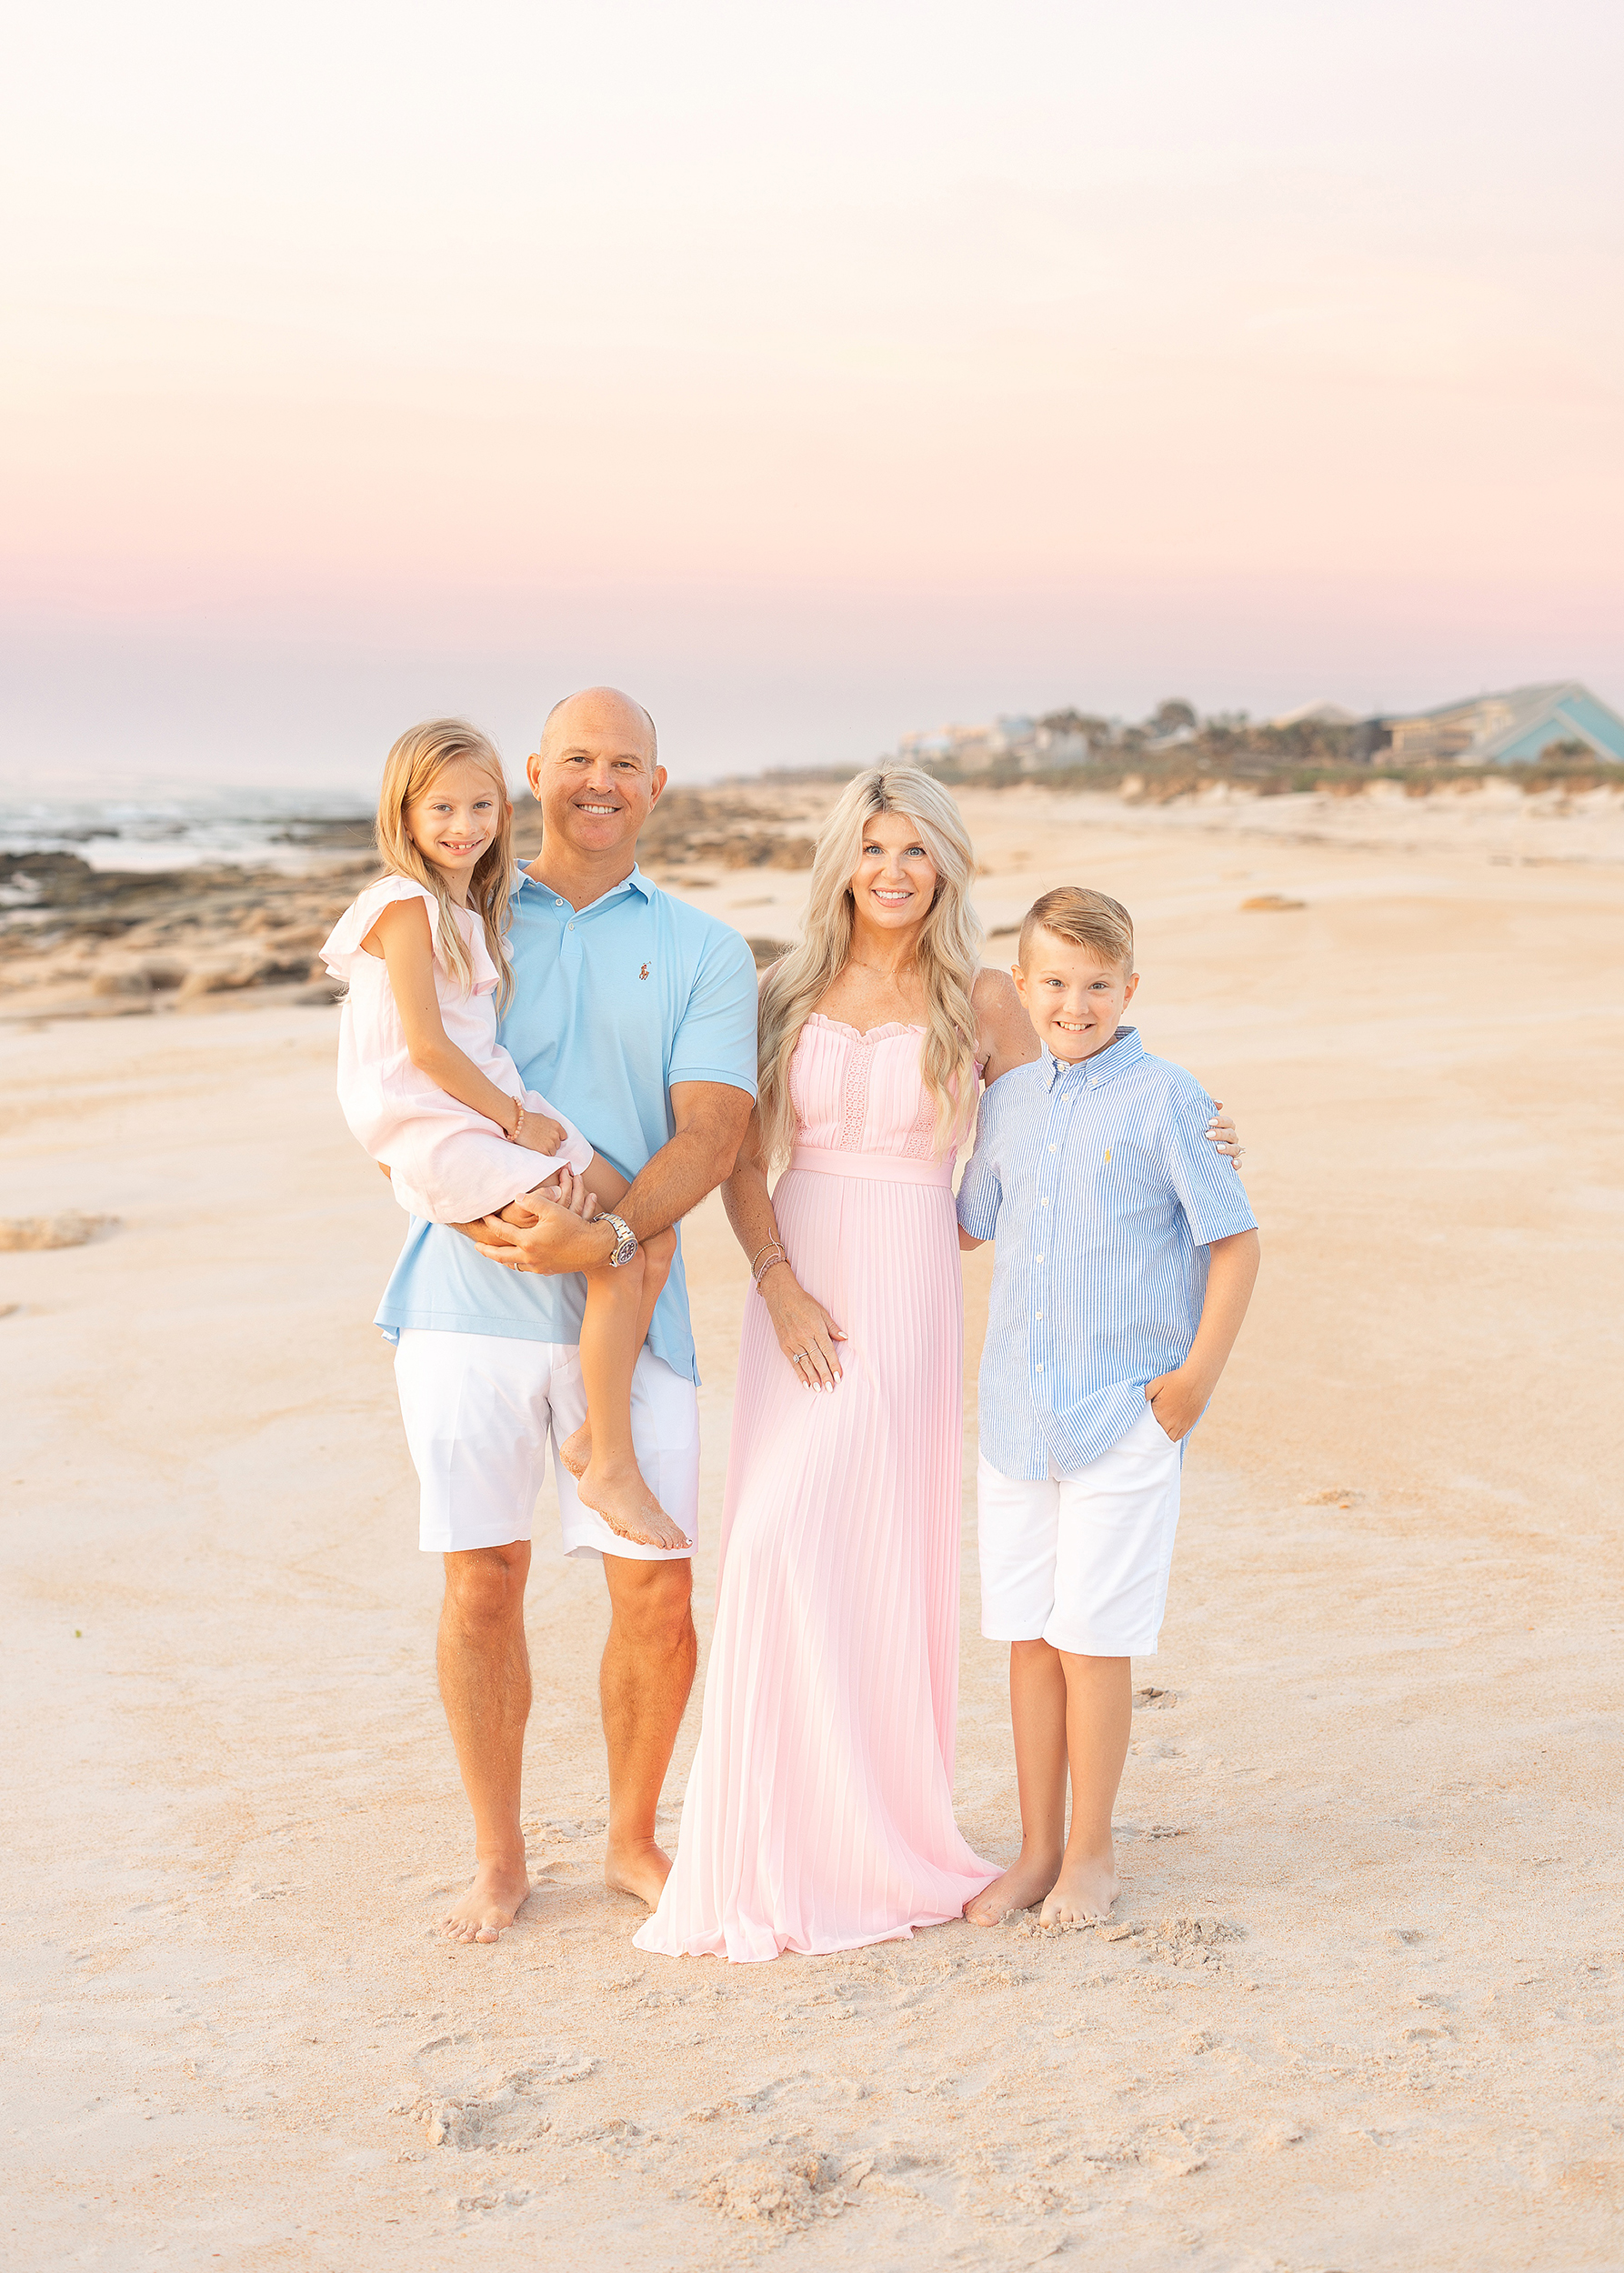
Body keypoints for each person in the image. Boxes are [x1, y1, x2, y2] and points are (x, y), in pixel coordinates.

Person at [635, 773, 1241, 1963]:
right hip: (797, 1288)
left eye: (917, 849)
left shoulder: (989, 995)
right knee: (767, 1542)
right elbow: (741, 1157)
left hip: (910, 1279)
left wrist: (1208, 1125)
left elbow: (1062, 1120)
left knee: (863, 1557)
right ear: (843, 862)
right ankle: (771, 1842)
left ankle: (882, 1836)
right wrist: (778, 1282)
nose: (895, 870)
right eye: (873, 847)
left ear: (947, 866)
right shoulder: (785, 986)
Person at [372, 689, 757, 1944]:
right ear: (533, 774)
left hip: (631, 1305)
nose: (599, 780)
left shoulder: (701, 948)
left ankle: (632, 1839)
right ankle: (498, 1858)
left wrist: (606, 1236)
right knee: (480, 1580)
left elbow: (711, 1131)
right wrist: (463, 1206)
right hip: (462, 1300)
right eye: (576, 759)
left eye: (625, 763)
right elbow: (394, 1076)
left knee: (654, 1593)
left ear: (658, 783)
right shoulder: (458, 915)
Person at [957, 886, 1259, 1930]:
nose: (1073, 1004)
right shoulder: (1007, 1102)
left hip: (1124, 1417)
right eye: (1052, 983)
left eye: (1095, 985)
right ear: (1022, 985)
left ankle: (1093, 1853)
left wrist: (1191, 1386)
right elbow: (968, 1221)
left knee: (1093, 1639)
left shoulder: (1171, 1098)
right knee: (1029, 1639)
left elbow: (1234, 1241)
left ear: (1129, 988)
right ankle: (1036, 1848)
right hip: (1012, 1418)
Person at [322, 717, 683, 1550]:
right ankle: (610, 1459)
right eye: (442, 808)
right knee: (614, 1250)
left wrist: (523, 1117)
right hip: (447, 1122)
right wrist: (518, 1123)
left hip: (494, 1108)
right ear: (404, 814)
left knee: (646, 1231)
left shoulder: (465, 904)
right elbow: (425, 1046)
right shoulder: (405, 903)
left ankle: (594, 1435)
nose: (465, 826)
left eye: (482, 806)